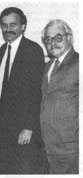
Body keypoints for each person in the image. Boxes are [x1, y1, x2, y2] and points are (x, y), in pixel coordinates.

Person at [0, 7, 47, 173]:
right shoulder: (2, 49)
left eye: (13, 25)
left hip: (24, 129)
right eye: (4, 25)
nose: (8, 29)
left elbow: (36, 91)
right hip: (2, 126)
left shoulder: (33, 50)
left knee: (22, 171)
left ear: (23, 26)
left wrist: (29, 126)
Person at [40, 19, 79, 174]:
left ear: (69, 37)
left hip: (71, 148)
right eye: (48, 40)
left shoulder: (79, 63)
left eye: (58, 38)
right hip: (49, 146)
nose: (52, 43)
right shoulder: (48, 66)